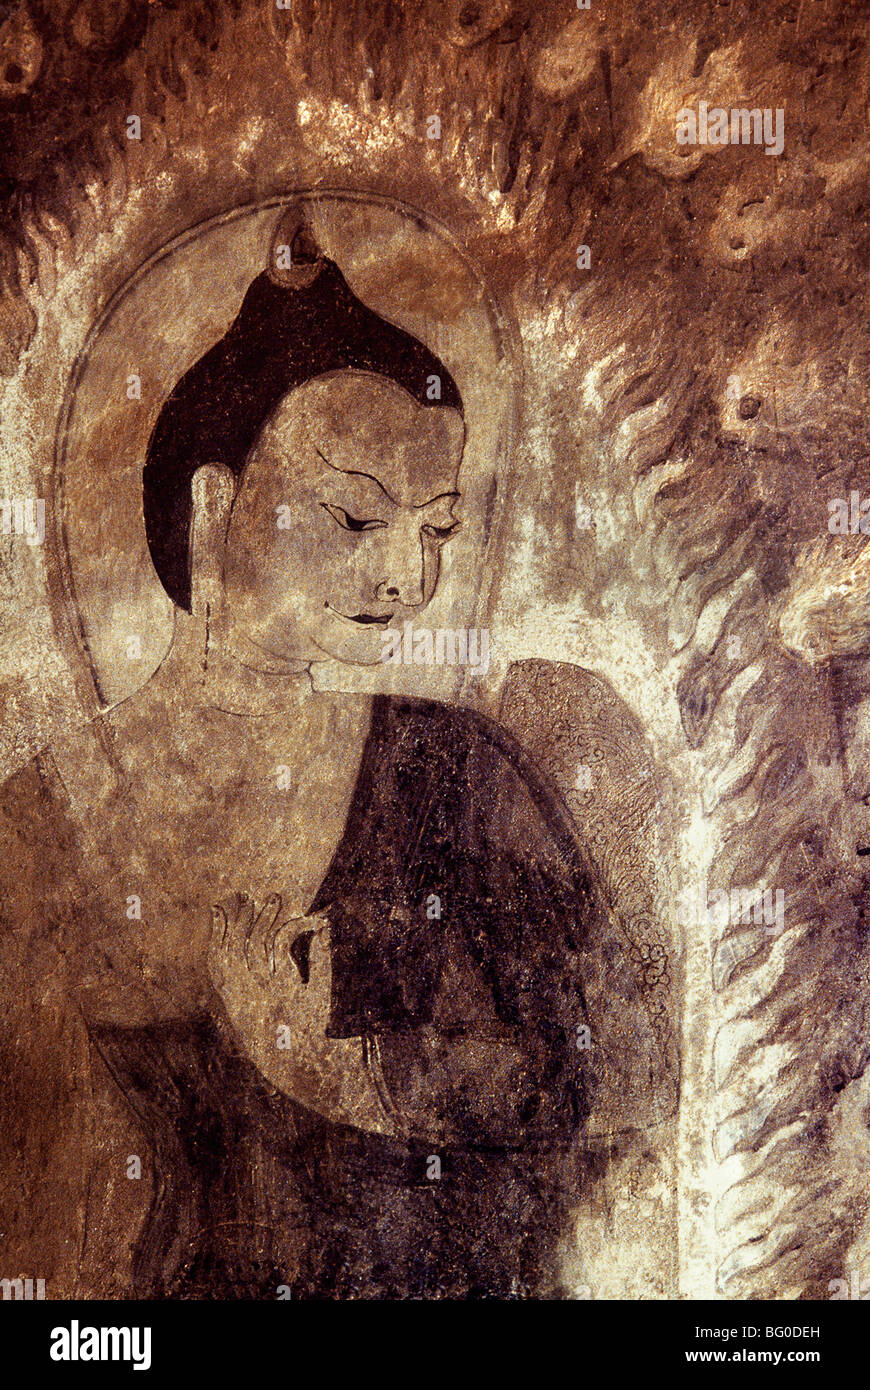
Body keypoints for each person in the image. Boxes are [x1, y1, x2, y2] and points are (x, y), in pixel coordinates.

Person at [0, 207, 628, 1299]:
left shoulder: (456, 772)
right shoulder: (33, 827)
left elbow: (608, 1068)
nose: (408, 580)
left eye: (434, 530)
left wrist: (343, 1074)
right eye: (353, 519)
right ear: (213, 503)